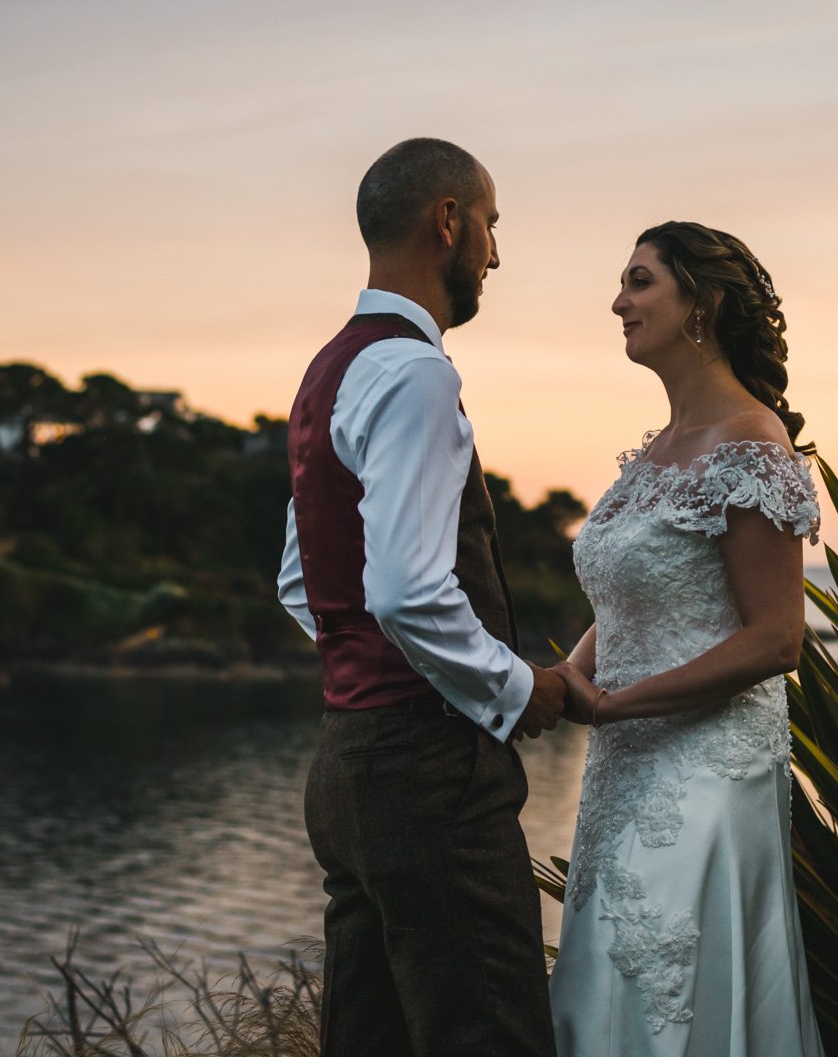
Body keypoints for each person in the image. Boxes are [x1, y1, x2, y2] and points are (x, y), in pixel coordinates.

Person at [277, 138, 565, 1057]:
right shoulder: (414, 371)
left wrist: (362, 667)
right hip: (432, 773)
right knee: (492, 1036)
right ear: (448, 220)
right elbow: (404, 591)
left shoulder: (329, 369)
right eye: (489, 225)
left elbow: (301, 581)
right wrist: (519, 689)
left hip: (346, 767)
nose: (494, 254)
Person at [545, 221, 826, 1055]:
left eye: (639, 282)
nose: (617, 301)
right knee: (605, 983)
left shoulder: (750, 443)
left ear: (700, 302)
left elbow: (777, 639)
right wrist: (564, 678)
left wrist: (615, 706)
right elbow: (634, 597)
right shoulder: (655, 455)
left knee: (665, 983)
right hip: (622, 770)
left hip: (704, 774)